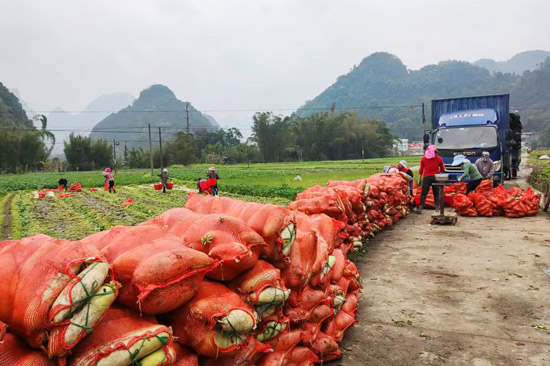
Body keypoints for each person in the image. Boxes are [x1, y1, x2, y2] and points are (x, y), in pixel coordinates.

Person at [415, 145, 445, 214]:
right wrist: (437, 172)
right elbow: (442, 169)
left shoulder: (423, 159)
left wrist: (419, 178)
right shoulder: (439, 159)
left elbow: (421, 169)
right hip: (436, 177)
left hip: (426, 178)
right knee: (436, 193)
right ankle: (437, 207)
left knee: (424, 193)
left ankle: (420, 208)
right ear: (435, 151)